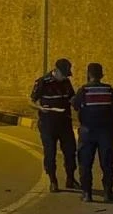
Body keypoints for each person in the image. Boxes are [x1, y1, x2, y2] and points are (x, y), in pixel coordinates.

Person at [71, 63, 113, 202]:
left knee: (85, 163)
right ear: (101, 75)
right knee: (107, 163)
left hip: (87, 132)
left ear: (88, 74)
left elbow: (75, 106)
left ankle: (87, 194)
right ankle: (108, 193)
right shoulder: (109, 90)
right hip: (106, 133)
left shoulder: (83, 90)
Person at [30, 58, 79, 192]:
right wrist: (39, 108)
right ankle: (53, 180)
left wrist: (78, 102)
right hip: (48, 123)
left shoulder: (66, 82)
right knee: (50, 152)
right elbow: (31, 101)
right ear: (55, 71)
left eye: (66, 74)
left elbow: (71, 97)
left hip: (64, 122)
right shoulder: (43, 82)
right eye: (63, 74)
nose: (64, 77)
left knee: (70, 151)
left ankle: (70, 178)